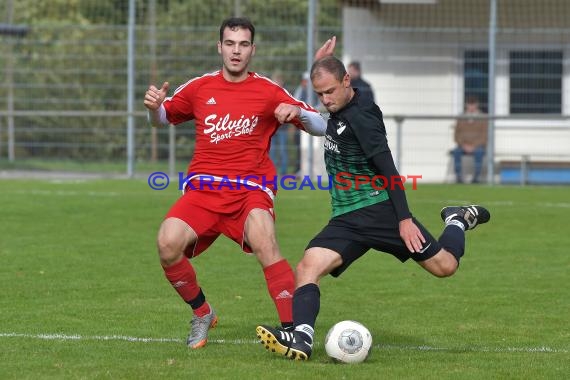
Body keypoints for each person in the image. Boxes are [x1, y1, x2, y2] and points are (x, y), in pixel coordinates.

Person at [256, 37, 491, 361]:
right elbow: (325, 91)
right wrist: (319, 63)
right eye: (320, 93)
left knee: (445, 266)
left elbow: (389, 171)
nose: (325, 100)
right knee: (308, 266)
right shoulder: (343, 102)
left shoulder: (362, 119)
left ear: (347, 82)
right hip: (346, 218)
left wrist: (404, 219)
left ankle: (457, 219)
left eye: (329, 92)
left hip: (380, 212)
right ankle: (302, 339)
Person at [143, 17, 326, 349]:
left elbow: (320, 125)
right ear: (220, 47)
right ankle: (202, 313)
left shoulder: (269, 90)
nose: (236, 51)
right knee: (167, 244)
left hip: (250, 189)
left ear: (252, 50)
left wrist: (296, 112)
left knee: (265, 242)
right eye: (230, 43)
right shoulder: (200, 87)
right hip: (204, 188)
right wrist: (154, 109)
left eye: (243, 44)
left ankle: (293, 332)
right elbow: (163, 119)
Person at [452, 96, 488, 183]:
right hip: (463, 145)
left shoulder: (483, 118)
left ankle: (476, 177)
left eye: (473, 105)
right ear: (466, 105)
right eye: (469, 105)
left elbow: (484, 136)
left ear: (477, 105)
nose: (471, 107)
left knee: (479, 152)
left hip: (478, 146)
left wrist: (474, 146)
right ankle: (458, 177)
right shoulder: (460, 118)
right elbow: (456, 135)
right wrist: (464, 145)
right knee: (456, 151)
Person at [269, 70, 290, 175]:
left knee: (283, 150)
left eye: (279, 80)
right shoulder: (269, 93)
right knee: (272, 151)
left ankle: (284, 173)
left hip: (282, 128)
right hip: (272, 128)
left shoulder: (285, 94)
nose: (277, 82)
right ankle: (273, 172)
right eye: (275, 80)